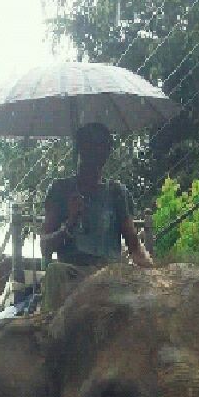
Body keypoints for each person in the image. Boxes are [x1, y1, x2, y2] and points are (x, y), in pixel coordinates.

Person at [39, 122, 153, 313]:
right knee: (55, 272)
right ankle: (53, 328)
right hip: (73, 273)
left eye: (101, 148)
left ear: (107, 154)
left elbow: (134, 247)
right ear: (80, 150)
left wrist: (156, 274)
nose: (95, 155)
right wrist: (70, 222)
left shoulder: (116, 192)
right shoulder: (61, 190)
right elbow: (45, 247)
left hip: (109, 275)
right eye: (90, 147)